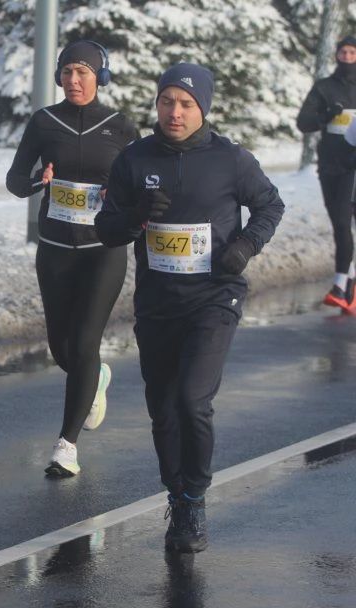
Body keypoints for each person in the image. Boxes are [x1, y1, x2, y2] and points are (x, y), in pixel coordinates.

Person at [95, 63, 283, 553]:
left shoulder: (231, 159)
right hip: (158, 302)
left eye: (186, 104)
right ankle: (177, 495)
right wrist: (136, 216)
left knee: (192, 401)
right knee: (163, 410)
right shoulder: (134, 159)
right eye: (167, 102)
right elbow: (106, 228)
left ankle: (195, 498)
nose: (175, 112)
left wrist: (244, 246)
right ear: (156, 104)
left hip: (215, 296)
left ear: (203, 108)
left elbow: (270, 205)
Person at [6, 40, 138, 477]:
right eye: (67, 72)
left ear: (101, 76)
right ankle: (95, 376)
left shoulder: (121, 127)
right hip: (57, 249)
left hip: (104, 251)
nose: (74, 80)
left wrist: (121, 198)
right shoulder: (43, 122)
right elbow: (14, 180)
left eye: (84, 72)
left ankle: (66, 445)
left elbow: (139, 186)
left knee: (83, 343)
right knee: (62, 349)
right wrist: (36, 180)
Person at [297, 35, 356, 311]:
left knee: (345, 223)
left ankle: (341, 285)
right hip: (331, 166)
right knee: (340, 225)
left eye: (352, 52)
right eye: (342, 51)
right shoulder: (324, 88)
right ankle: (348, 285)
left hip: (352, 168)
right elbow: (303, 123)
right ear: (336, 54)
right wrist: (325, 117)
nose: (346, 56)